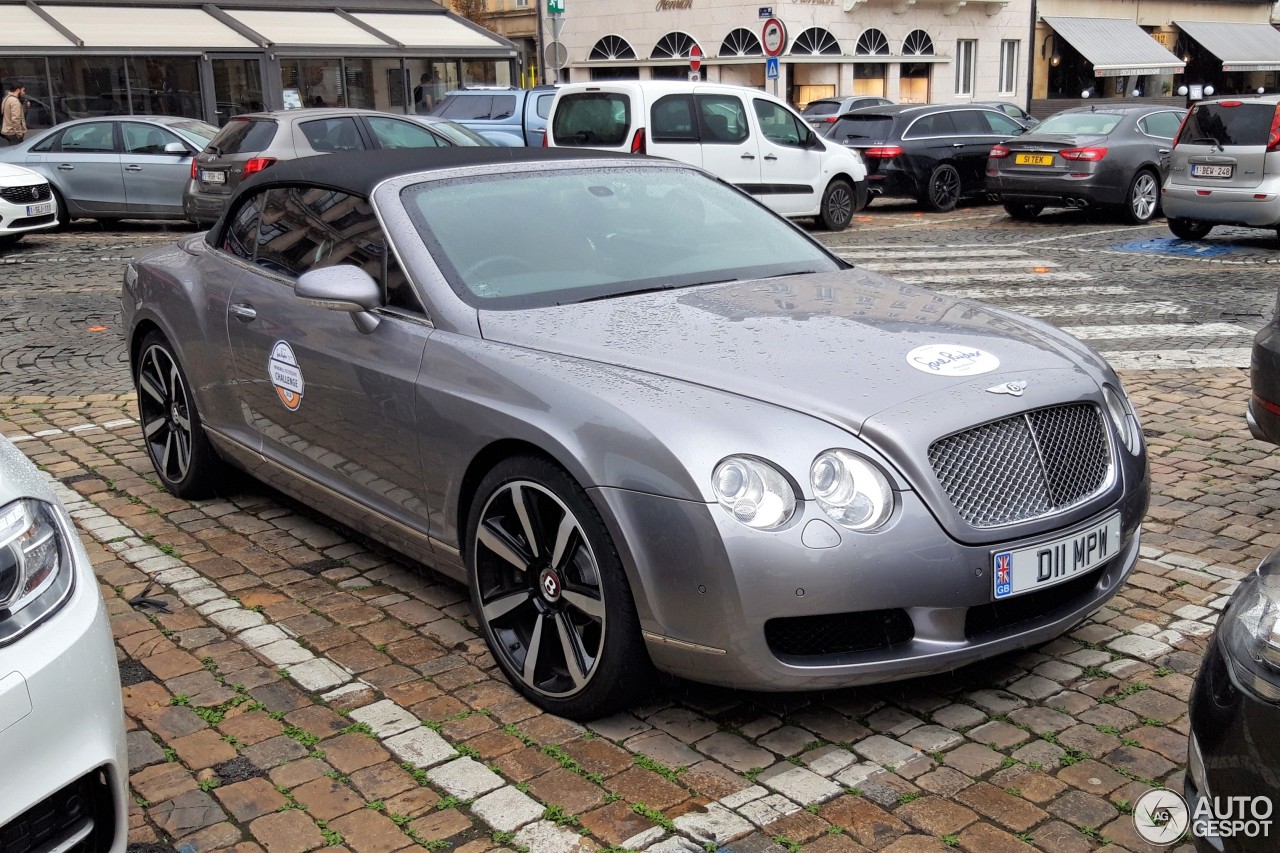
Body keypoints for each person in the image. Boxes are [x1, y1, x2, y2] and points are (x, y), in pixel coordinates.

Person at [1, 80, 27, 146]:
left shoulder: (6, 98)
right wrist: (19, 134)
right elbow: (15, 119)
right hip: (14, 133)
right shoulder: (14, 101)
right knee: (16, 152)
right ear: (18, 90)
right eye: (23, 90)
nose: (24, 93)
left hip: (8, 130)